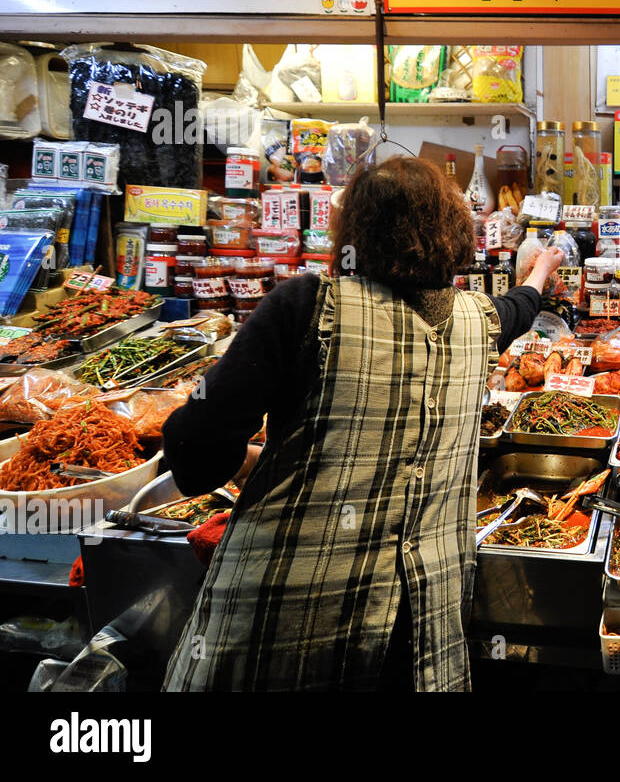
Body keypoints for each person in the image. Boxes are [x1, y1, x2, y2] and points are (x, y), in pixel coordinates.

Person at [161, 156, 564, 691]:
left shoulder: (305, 306)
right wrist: (538, 275)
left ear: (353, 232)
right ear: (453, 232)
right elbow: (516, 309)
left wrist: (261, 461)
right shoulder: (476, 319)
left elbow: (193, 452)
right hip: (420, 632)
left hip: (289, 619)